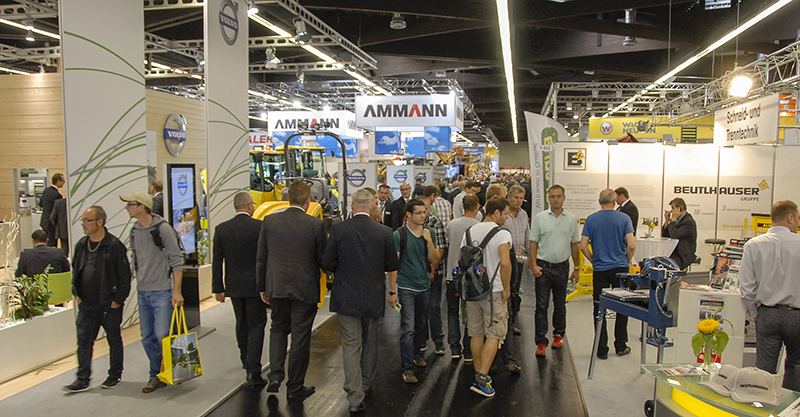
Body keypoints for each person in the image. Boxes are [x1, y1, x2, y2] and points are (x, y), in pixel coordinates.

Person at [321, 189, 399, 414]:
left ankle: (355, 396)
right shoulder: (384, 232)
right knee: (370, 343)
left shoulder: (339, 229)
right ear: (371, 205)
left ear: (353, 206)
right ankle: (365, 384)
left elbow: (327, 262)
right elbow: (392, 264)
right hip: (372, 296)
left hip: (346, 296)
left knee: (350, 345)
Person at [256, 181, 327, 401]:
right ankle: (295, 386)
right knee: (300, 336)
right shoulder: (315, 225)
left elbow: (261, 258)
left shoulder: (270, 221)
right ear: (308, 201)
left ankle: (275, 376)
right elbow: (322, 259)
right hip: (305, 288)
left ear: (288, 199)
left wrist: (262, 287)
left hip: (276, 286)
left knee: (277, 328)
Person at [121, 190, 184, 393]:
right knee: (147, 336)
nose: (126, 208)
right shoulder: (134, 231)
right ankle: (156, 374)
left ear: (142, 207)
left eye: (130, 204)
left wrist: (177, 291)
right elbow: (135, 259)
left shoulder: (163, 229)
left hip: (162, 291)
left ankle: (166, 371)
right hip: (143, 291)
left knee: (163, 334)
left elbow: (176, 259)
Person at [63, 206, 131, 392]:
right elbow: (75, 271)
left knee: (113, 340)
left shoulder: (114, 245)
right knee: (83, 341)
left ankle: (114, 375)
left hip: (109, 304)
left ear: (99, 222)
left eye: (87, 220)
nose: (83, 224)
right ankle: (82, 378)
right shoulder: (81, 245)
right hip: (86, 304)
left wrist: (118, 299)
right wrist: (77, 294)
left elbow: (124, 275)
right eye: (83, 220)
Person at [738, 200, 800, 390]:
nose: (798, 223)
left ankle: (762, 404)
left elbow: (746, 286)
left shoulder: (753, 245)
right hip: (797, 316)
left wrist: (754, 313)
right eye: (798, 218)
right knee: (796, 366)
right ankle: (791, 404)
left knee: (764, 371)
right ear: (790, 217)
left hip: (767, 314)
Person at [212, 192, 268, 386]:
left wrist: (218, 288)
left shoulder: (222, 229)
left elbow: (217, 261)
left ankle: (245, 359)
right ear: (250, 205)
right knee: (257, 325)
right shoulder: (259, 227)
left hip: (234, 286)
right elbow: (265, 258)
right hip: (256, 286)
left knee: (241, 322)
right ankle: (253, 369)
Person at [462, 197, 512, 398]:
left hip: (472, 291)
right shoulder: (502, 234)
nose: (507, 217)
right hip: (494, 290)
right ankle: (482, 379)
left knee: (475, 333)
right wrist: (507, 288)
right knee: (494, 334)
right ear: (496, 212)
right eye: (506, 213)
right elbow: (505, 263)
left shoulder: (469, 231)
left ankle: (478, 373)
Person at [580, 189, 636, 360]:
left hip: (600, 269)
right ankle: (621, 345)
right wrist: (627, 260)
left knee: (599, 308)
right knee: (622, 307)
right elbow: (631, 245)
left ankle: (601, 348)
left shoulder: (591, 219)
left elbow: (583, 246)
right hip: (620, 268)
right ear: (614, 201)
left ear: (599, 201)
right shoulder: (624, 218)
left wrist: (593, 260)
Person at [392, 198, 441, 384]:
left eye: (424, 212)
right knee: (408, 328)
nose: (423, 216)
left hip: (424, 286)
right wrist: (392, 290)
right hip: (406, 287)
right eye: (419, 213)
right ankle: (407, 369)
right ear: (409, 214)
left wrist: (429, 241)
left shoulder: (430, 233)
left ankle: (416, 355)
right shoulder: (399, 235)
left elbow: (434, 259)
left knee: (421, 324)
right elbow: (394, 265)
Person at [528, 185, 580, 357]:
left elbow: (574, 244)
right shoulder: (540, 218)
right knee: (541, 306)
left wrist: (577, 268)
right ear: (548, 198)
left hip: (562, 267)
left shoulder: (571, 219)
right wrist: (534, 264)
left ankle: (558, 335)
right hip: (543, 267)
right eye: (552, 196)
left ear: (564, 197)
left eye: (558, 196)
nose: (555, 199)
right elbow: (533, 242)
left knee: (560, 304)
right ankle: (541, 342)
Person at [445, 194, 480, 361]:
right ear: (477, 207)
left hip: (452, 275)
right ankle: (468, 350)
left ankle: (454, 348)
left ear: (462, 207)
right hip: (471, 278)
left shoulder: (451, 225)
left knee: (453, 312)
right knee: (470, 314)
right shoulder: (479, 226)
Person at [420, 194, 447, 356]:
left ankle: (438, 341)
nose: (423, 213)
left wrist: (431, 271)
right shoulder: (409, 224)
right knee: (421, 308)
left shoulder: (436, 224)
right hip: (418, 274)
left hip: (435, 273)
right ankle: (422, 341)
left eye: (425, 209)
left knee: (434, 306)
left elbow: (441, 249)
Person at [505, 185, 530, 338]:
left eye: (521, 198)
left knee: (515, 292)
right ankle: (504, 324)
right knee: (505, 291)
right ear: (509, 197)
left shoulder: (523, 214)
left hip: (519, 262)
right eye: (516, 198)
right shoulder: (503, 214)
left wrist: (530, 257)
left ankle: (512, 322)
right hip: (505, 260)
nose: (518, 201)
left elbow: (527, 236)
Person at [661, 197, 697, 270]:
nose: (672, 211)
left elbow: (675, 236)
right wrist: (667, 221)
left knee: (667, 266)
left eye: (673, 208)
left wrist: (673, 220)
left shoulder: (688, 221)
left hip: (683, 255)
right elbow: (665, 235)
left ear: (680, 208)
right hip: (675, 252)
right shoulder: (678, 220)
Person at [40, 172, 64, 246]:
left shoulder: (46, 191)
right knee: (52, 243)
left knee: (45, 242)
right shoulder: (57, 195)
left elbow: (41, 204)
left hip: (44, 221)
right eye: (63, 181)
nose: (64, 183)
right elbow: (59, 211)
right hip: (52, 223)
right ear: (58, 181)